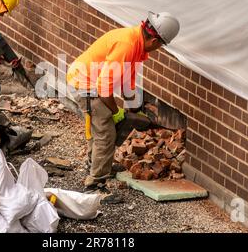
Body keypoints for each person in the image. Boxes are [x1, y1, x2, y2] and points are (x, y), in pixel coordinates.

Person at [66, 12, 180, 198]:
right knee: (106, 133)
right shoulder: (127, 45)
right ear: (154, 41)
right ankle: (95, 185)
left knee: (102, 127)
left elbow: (128, 80)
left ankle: (95, 164)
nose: (159, 48)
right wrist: (115, 111)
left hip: (89, 83)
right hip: (85, 85)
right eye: (161, 45)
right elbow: (104, 90)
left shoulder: (135, 42)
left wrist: (135, 105)